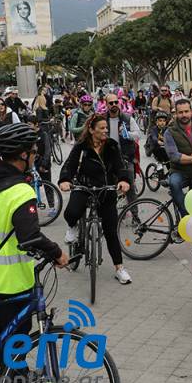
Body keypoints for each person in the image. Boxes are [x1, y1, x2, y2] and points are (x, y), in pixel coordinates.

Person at [0, 122, 67, 383]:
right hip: (9, 284)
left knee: (1, 337)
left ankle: (12, 379)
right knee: (17, 339)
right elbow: (30, 237)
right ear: (23, 155)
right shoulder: (21, 192)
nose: (35, 154)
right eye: (33, 150)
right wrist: (57, 253)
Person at [59, 115, 132, 284]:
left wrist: (124, 180)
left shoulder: (112, 145)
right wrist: (65, 180)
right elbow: (69, 165)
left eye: (106, 128)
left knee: (111, 231)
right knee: (71, 212)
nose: (105, 131)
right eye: (101, 128)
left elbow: (120, 165)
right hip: (84, 187)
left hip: (105, 190)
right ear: (91, 130)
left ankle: (119, 268)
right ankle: (73, 227)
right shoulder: (81, 147)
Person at [104, 91, 142, 219]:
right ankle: (112, 216)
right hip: (108, 159)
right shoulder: (102, 120)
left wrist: (128, 134)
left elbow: (138, 134)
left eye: (116, 102)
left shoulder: (127, 118)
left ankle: (135, 216)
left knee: (130, 188)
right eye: (111, 103)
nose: (114, 105)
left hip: (126, 158)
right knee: (110, 188)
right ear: (106, 104)